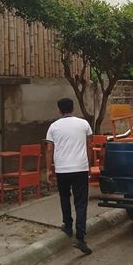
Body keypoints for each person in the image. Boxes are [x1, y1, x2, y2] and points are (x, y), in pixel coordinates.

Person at [45, 98, 94, 255]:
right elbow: (89, 146)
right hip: (80, 168)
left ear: (59, 110)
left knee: (64, 197)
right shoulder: (84, 124)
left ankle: (67, 225)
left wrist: (48, 170)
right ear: (73, 108)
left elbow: (49, 149)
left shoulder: (53, 127)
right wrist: (89, 165)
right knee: (81, 203)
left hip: (62, 169)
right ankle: (80, 237)